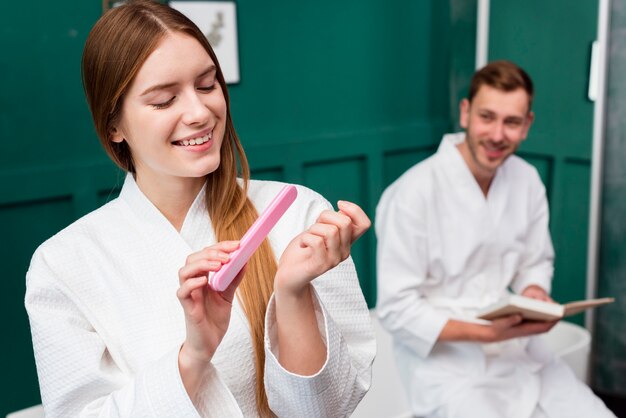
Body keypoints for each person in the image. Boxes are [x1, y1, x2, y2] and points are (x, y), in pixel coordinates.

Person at [24, 1, 375, 416]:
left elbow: (327, 410)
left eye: (207, 86)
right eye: (163, 100)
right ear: (113, 125)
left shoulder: (297, 215)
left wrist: (292, 293)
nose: (199, 112)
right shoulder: (63, 264)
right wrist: (193, 355)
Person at [375, 60, 615, 418]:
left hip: (521, 353)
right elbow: (395, 309)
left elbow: (535, 261)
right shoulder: (414, 192)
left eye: (512, 122)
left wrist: (534, 291)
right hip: (447, 368)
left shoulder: (527, 180)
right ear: (466, 113)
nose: (498, 135)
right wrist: (487, 335)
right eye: (487, 117)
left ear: (527, 125)